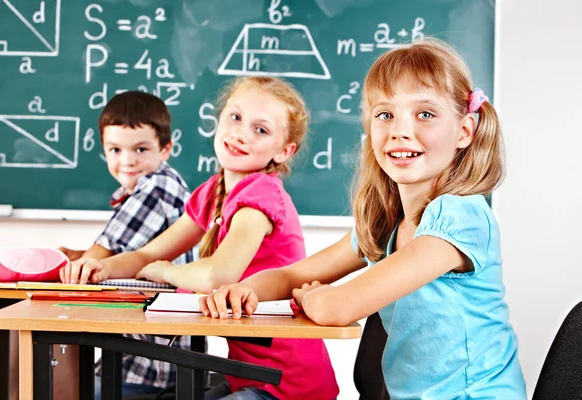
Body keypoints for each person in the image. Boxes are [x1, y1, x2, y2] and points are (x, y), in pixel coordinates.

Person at [200, 39, 528, 399]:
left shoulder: (460, 215)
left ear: (465, 131)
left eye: (425, 114)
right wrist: (245, 290)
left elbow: (336, 308)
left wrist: (317, 297)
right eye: (385, 115)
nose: (400, 131)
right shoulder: (385, 223)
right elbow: (293, 275)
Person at [61, 76, 339, 400]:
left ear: (284, 151)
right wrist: (101, 268)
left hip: (286, 387)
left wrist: (162, 270)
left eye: (260, 130)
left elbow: (215, 276)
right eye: (235, 118)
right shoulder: (212, 193)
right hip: (248, 378)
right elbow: (146, 255)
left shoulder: (262, 197)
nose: (240, 134)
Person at [60, 90, 196, 399]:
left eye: (140, 149)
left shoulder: (157, 187)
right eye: (115, 149)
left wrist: (79, 261)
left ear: (165, 149)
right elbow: (119, 255)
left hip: (151, 363)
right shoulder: (154, 184)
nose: (127, 161)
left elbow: (103, 252)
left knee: (50, 384)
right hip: (145, 351)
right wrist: (79, 256)